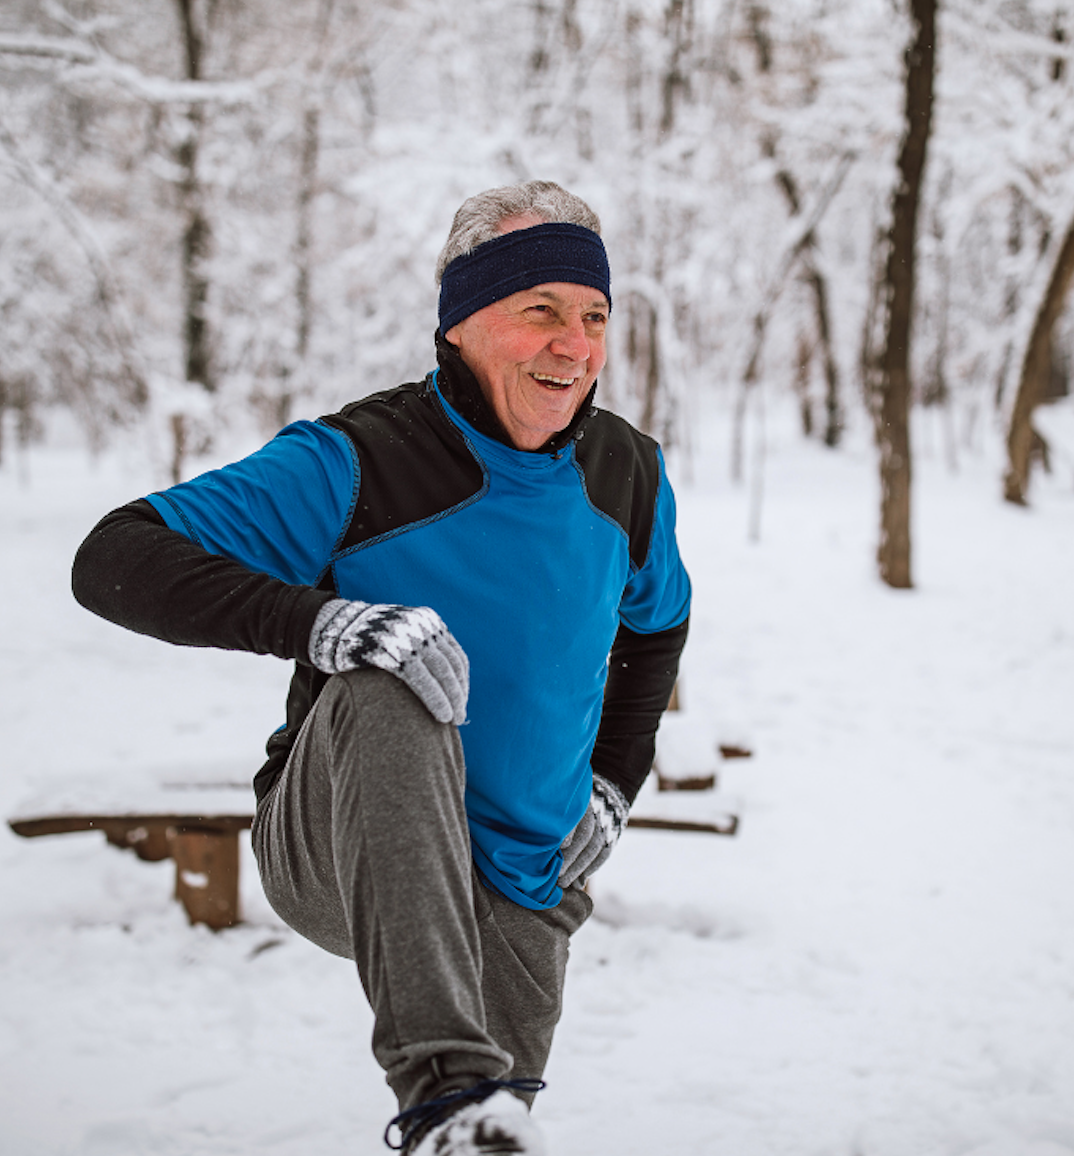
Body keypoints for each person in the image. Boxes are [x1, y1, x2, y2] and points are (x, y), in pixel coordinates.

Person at [71, 180, 691, 1155]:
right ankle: (440, 1086)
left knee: (492, 1136)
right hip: (339, 845)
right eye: (540, 312)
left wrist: (616, 779)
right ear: (462, 322)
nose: (572, 344)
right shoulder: (358, 462)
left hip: (524, 888)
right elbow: (113, 556)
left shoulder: (628, 474)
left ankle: (461, 1111)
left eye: (593, 316)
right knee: (388, 671)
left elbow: (660, 626)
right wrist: (322, 623)